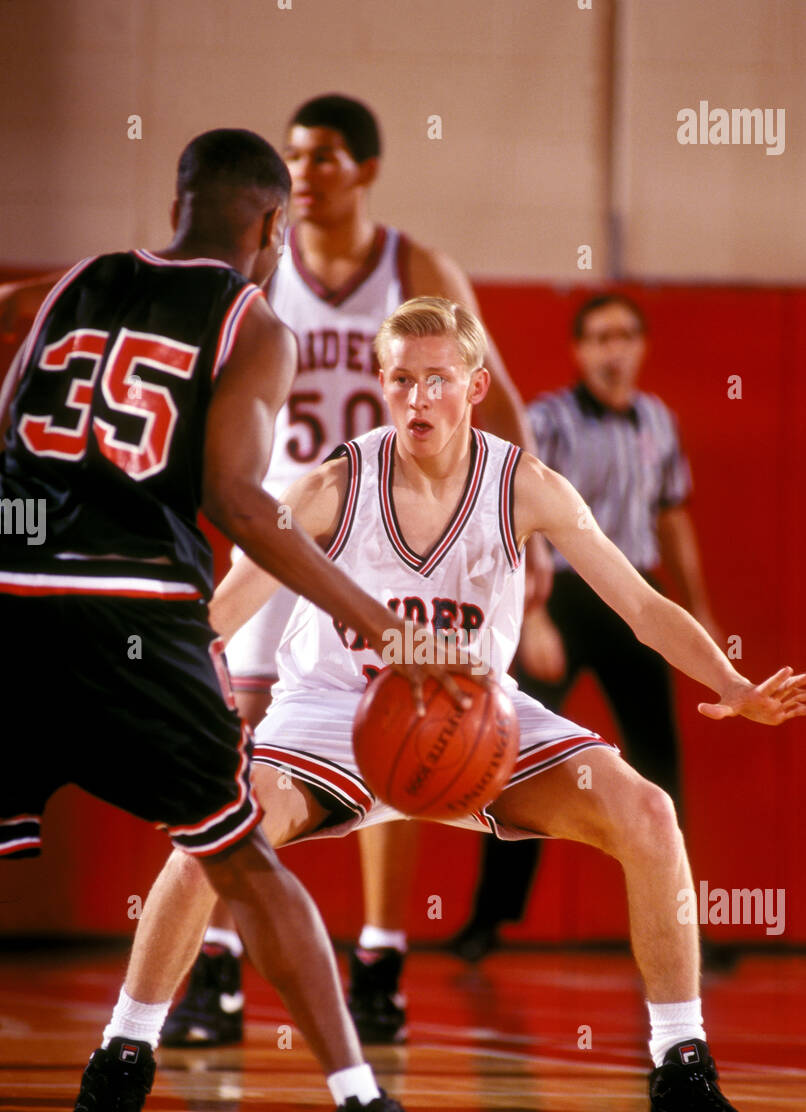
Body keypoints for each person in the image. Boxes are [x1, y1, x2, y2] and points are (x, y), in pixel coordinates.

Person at [117, 296, 806, 1112]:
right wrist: (148, 678)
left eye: (438, 381)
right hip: (335, 716)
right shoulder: (333, 485)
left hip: (473, 718)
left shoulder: (525, 484)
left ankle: (682, 1077)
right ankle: (122, 1058)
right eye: (401, 381)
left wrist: (732, 681)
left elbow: (639, 606)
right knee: (209, 835)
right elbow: (223, 613)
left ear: (475, 386)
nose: (418, 399)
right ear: (380, 387)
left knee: (647, 814)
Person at [0, 130, 460, 1112]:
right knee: (238, 856)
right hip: (132, 612)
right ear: (270, 227)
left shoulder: (66, 285)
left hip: (12, 601)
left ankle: (117, 1084)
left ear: (180, 202)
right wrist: (383, 626)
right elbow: (240, 504)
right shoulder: (252, 320)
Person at [155, 93, 547, 1048]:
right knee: (233, 742)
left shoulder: (414, 268)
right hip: (278, 519)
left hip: (389, 522)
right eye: (293, 156)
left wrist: (524, 556)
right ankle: (218, 969)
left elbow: (500, 405)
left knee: (415, 730)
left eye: (324, 156)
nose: (305, 171)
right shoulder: (256, 264)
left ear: (366, 168)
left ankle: (379, 957)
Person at [451, 292, 724, 960]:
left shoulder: (657, 421)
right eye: (599, 338)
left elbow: (674, 515)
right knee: (512, 756)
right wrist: (535, 613)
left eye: (625, 336)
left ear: (640, 347)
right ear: (579, 351)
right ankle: (487, 923)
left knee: (658, 766)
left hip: (635, 596)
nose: (613, 349)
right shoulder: (545, 419)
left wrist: (701, 610)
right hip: (564, 595)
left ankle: (684, 926)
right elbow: (512, 513)